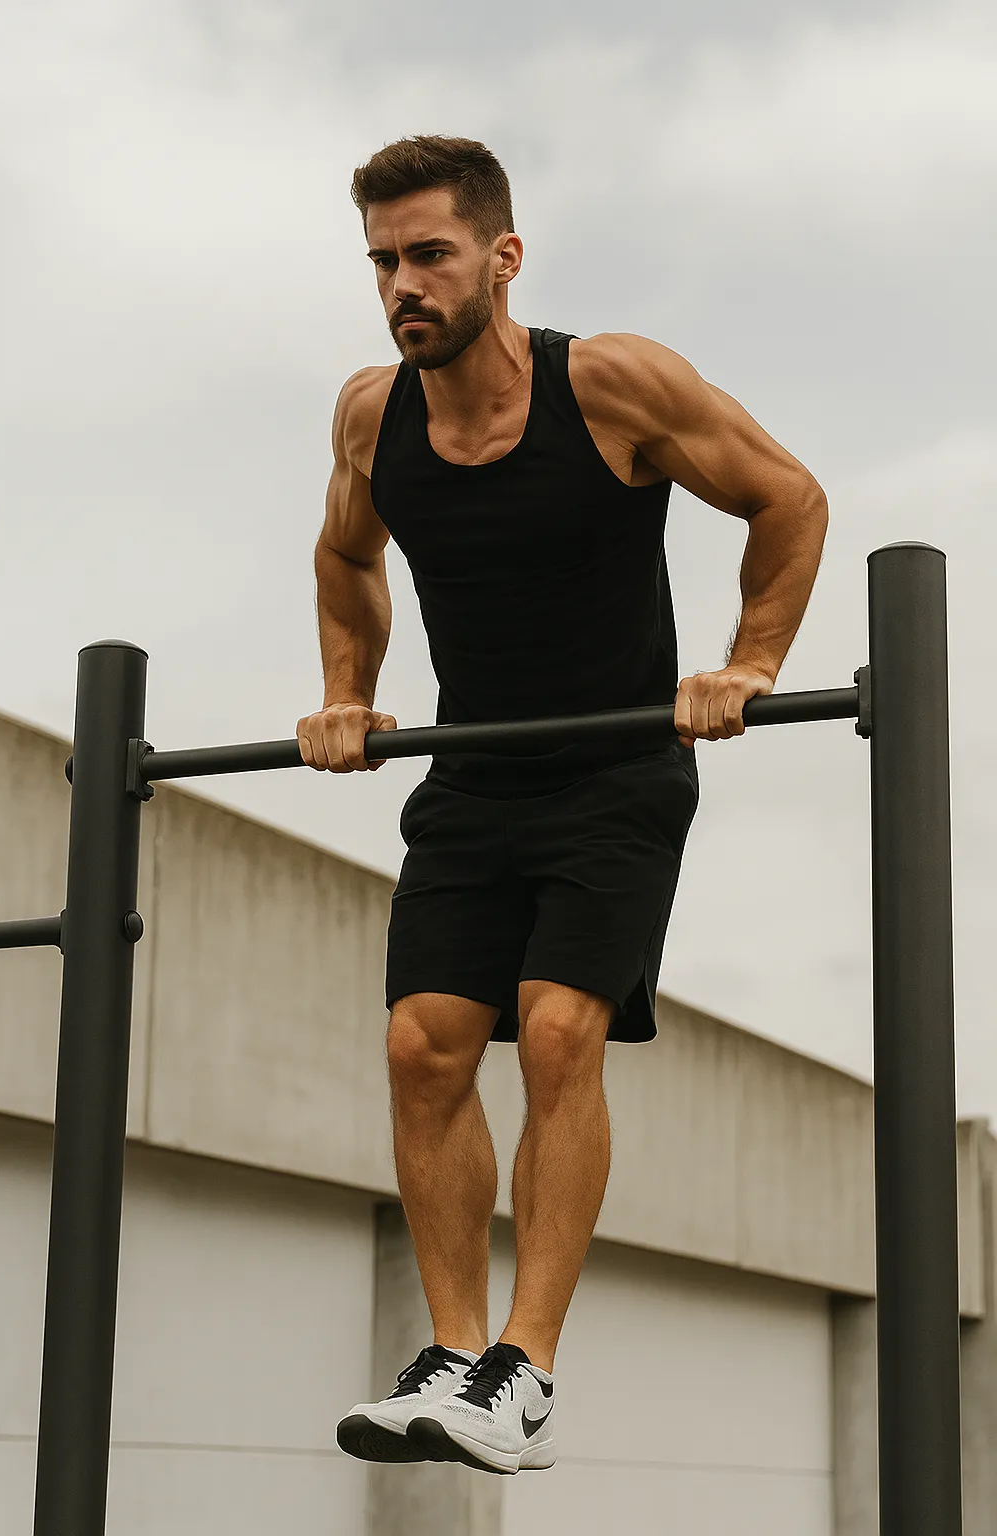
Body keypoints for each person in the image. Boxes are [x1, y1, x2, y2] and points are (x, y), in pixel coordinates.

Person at [296, 135, 828, 1478]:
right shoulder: (373, 413)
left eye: (431, 254)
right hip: (475, 773)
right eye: (383, 262)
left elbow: (788, 497)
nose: (403, 284)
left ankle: (526, 1373)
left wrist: (750, 664)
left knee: (553, 1034)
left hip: (616, 770)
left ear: (502, 256)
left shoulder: (609, 383)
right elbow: (345, 555)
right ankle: (455, 1354)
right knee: (422, 1047)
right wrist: (347, 689)